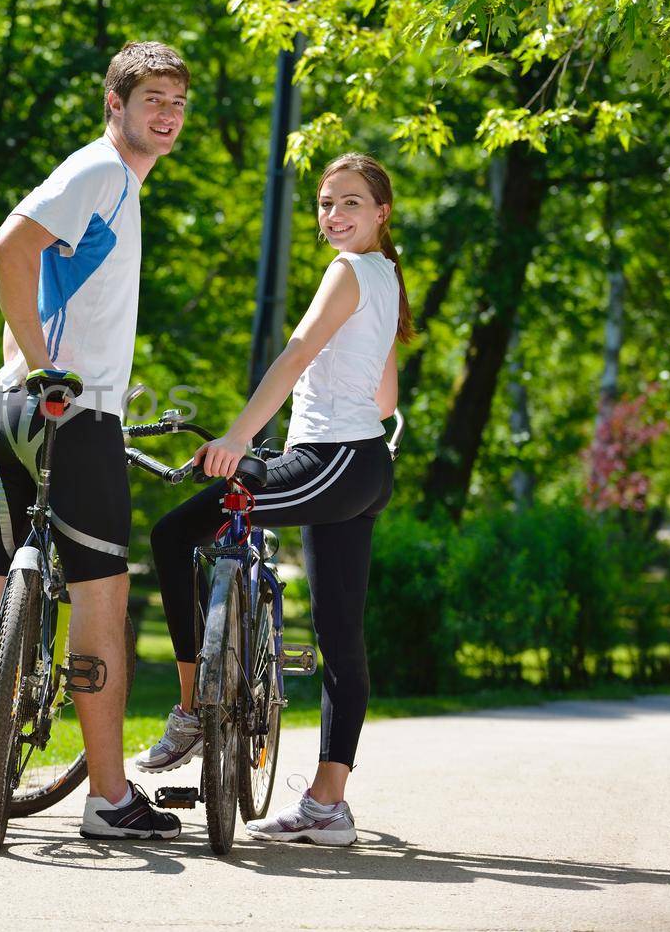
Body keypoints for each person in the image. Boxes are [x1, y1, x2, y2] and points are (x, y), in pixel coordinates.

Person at [0, 41, 190, 839]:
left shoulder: (117, 187)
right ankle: (109, 799)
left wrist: (26, 363)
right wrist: (46, 365)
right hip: (71, 413)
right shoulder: (99, 173)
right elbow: (8, 244)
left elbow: (37, 275)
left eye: (176, 103)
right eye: (151, 102)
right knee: (105, 595)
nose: (166, 116)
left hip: (13, 411)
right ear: (116, 105)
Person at [135, 152, 414, 846]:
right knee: (340, 635)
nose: (334, 215)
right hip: (360, 465)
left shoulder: (347, 271)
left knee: (174, 536)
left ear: (381, 213)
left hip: (332, 461)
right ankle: (327, 805)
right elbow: (386, 398)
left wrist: (234, 438)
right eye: (325, 204)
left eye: (351, 203)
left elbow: (294, 353)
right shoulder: (385, 276)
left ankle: (192, 709)